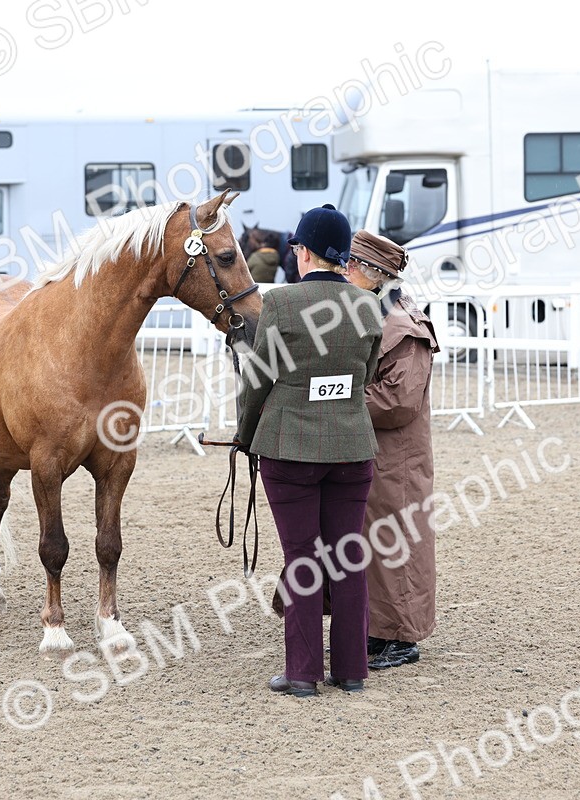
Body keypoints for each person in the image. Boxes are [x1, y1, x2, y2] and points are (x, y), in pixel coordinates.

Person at [235, 204, 383, 697]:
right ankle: (351, 670)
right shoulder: (368, 306)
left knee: (302, 558)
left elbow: (257, 381)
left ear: (304, 251)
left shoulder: (281, 304)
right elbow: (364, 375)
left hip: (290, 446)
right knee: (348, 557)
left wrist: (245, 433)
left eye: (297, 247)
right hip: (352, 446)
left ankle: (302, 673)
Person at [343, 230, 440, 670]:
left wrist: (336, 400)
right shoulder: (378, 315)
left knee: (396, 543)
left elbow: (398, 401)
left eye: (349, 266)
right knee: (372, 542)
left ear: (371, 274)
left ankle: (400, 637)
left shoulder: (404, 328)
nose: (343, 274)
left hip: (396, 459)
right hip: (376, 453)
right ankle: (375, 630)